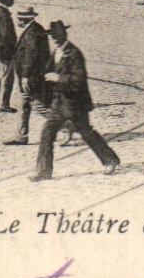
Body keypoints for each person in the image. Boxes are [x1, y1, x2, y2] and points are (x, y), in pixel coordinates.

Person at [31, 19, 120, 180]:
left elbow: (79, 79)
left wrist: (58, 78)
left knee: (87, 133)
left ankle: (110, 160)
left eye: (58, 36)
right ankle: (43, 171)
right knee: (47, 132)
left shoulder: (74, 53)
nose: (55, 39)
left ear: (64, 35)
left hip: (76, 103)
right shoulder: (56, 52)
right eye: (53, 36)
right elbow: (47, 72)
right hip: (59, 103)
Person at [4, 6, 47, 145]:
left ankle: (67, 127)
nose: (17, 21)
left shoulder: (31, 34)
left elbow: (31, 55)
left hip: (30, 76)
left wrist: (25, 77)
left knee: (37, 105)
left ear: (23, 20)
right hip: (34, 75)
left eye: (18, 19)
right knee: (25, 104)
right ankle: (21, 135)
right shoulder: (36, 29)